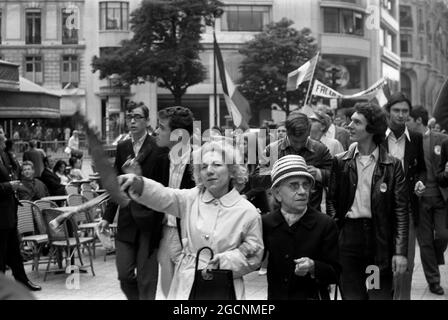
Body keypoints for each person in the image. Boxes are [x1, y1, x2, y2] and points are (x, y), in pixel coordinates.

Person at [119, 140, 264, 299]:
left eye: (216, 165)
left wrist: (223, 262)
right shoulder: (190, 199)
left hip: (226, 288)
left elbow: (253, 253)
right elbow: (164, 196)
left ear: (231, 171)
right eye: (203, 167)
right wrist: (139, 184)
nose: (209, 171)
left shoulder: (247, 211)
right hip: (188, 285)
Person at [327, 102, 408, 300]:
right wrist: (338, 234)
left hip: (377, 242)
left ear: (371, 128)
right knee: (353, 296)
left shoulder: (392, 165)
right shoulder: (340, 161)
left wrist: (400, 251)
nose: (349, 126)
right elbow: (332, 201)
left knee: (377, 294)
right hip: (348, 241)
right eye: (351, 121)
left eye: (357, 122)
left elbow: (400, 211)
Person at [97, 101, 168, 300]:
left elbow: (164, 185)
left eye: (137, 117)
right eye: (130, 117)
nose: (133, 121)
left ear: (147, 121)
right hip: (127, 219)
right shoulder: (122, 147)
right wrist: (107, 217)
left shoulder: (159, 147)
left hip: (150, 219)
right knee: (124, 274)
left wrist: (163, 214)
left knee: (147, 279)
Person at [263, 155, 340, 300]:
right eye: (294, 185)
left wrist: (313, 266)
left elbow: (336, 272)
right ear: (277, 193)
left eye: (306, 185)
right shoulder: (267, 223)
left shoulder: (325, 224)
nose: (302, 191)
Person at [383, 92, 426, 300]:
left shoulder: (416, 138)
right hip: (380, 206)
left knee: (405, 262)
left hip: (407, 206)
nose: (401, 115)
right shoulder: (376, 137)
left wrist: (420, 182)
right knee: (380, 259)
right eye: (396, 111)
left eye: (405, 111)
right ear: (388, 112)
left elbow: (422, 170)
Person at [151, 106, 196, 299]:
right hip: (164, 233)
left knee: (187, 290)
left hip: (188, 236)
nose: (156, 131)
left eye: (161, 127)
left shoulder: (200, 162)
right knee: (168, 291)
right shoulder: (159, 159)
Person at [406, 106, 448, 295]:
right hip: (419, 200)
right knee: (425, 242)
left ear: (418, 121)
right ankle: (434, 280)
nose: (405, 123)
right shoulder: (408, 142)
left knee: (443, 235)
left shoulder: (442, 139)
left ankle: (437, 257)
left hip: (440, 198)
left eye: (408, 120)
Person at [257, 112, 333, 211]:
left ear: (309, 132)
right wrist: (278, 172)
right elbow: (256, 180)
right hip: (281, 214)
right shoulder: (273, 149)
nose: (298, 146)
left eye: (302, 141)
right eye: (294, 141)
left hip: (311, 214)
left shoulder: (320, 149)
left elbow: (337, 178)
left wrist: (319, 174)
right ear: (287, 133)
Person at [0, 128, 41, 292]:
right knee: (0, 254)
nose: (4, 135)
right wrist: (8, 186)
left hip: (9, 211)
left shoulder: (4, 154)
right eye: (1, 132)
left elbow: (14, 171)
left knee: (14, 252)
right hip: (0, 215)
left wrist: (10, 153)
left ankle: (22, 282)